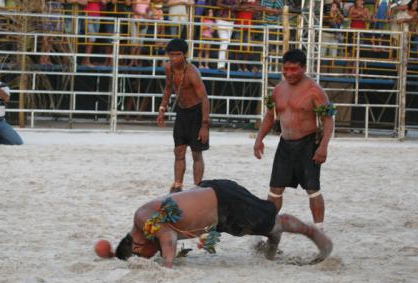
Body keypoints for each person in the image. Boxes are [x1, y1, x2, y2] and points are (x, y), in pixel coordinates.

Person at [114, 179, 333, 268]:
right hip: (214, 207)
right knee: (255, 227)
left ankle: (309, 231)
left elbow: (168, 240)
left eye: (147, 256)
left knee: (272, 223)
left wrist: (167, 267)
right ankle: (271, 246)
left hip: (222, 200)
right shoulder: (141, 219)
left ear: (136, 246)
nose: (153, 255)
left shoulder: (143, 221)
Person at [253, 49, 334, 230]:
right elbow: (269, 116)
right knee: (274, 191)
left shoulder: (315, 91)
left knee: (313, 190)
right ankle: (269, 231)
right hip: (285, 145)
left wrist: (323, 147)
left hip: (308, 144)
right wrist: (259, 139)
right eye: (286, 69)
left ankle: (319, 230)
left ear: (303, 68)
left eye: (294, 69)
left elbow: (328, 121)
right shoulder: (279, 89)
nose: (289, 73)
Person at [156, 38, 210, 193]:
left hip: (197, 113)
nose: (174, 58)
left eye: (177, 55)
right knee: (178, 151)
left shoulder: (193, 73)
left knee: (196, 153)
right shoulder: (168, 68)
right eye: (171, 55)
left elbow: (204, 98)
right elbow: (168, 88)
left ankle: (198, 186)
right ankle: (178, 184)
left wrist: (204, 125)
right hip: (181, 111)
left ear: (185, 55)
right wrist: (162, 109)